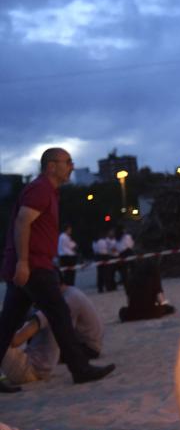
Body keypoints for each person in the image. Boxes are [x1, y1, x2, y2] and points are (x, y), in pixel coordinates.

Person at [0, 148, 115, 393]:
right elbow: (22, 222)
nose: (71, 166)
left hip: (30, 265)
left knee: (8, 324)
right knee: (60, 314)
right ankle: (80, 370)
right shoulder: (40, 189)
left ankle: (80, 369)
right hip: (32, 266)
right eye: (67, 162)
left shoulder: (47, 191)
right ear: (51, 166)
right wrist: (22, 262)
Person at [2, 276, 104, 385]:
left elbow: (15, 341)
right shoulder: (64, 299)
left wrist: (10, 322)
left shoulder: (63, 302)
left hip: (29, 369)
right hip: (40, 367)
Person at [114, 226, 135, 291]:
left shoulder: (117, 238)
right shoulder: (126, 237)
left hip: (121, 254)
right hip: (128, 252)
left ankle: (127, 285)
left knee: (124, 271)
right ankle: (134, 283)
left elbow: (117, 247)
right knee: (133, 268)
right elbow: (131, 244)